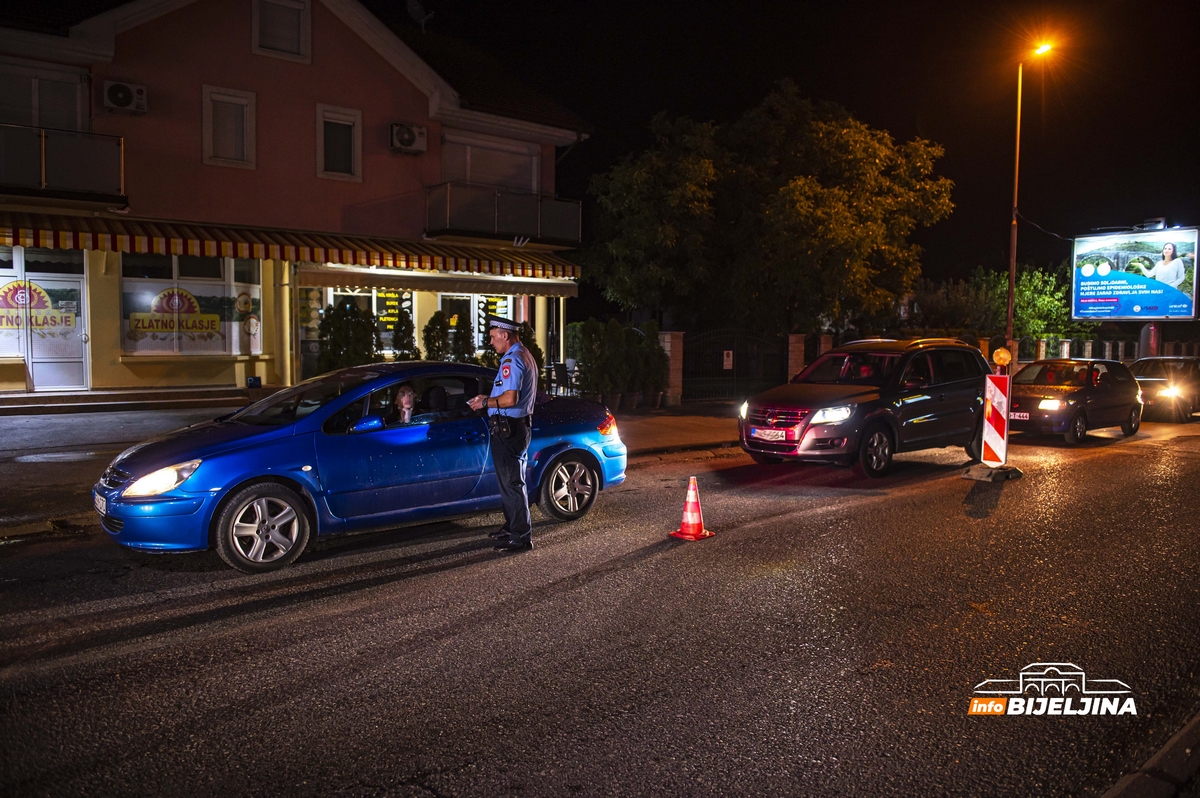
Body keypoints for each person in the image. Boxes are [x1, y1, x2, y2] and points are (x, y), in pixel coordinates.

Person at [468, 315, 538, 553]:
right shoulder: (523, 355)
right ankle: (512, 527)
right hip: (514, 427)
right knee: (509, 482)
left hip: (510, 429)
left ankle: (521, 537)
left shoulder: (513, 360)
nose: (491, 342)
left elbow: (510, 399)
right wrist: (488, 399)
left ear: (505, 335)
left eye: (492, 337)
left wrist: (485, 402)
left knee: (512, 483)